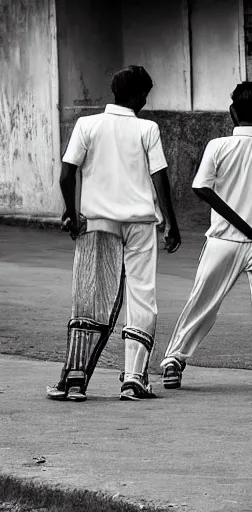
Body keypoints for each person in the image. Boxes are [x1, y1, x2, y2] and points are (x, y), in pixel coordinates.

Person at [46, 65, 181, 402]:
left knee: (89, 297)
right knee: (142, 296)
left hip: (97, 222)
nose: (146, 102)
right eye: (145, 95)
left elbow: (67, 174)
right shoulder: (147, 129)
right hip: (140, 224)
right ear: (136, 95)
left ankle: (75, 381)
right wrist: (171, 221)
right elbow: (159, 176)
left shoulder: (87, 125)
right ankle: (134, 380)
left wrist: (70, 211)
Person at [160, 81, 252, 395]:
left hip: (223, 241)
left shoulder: (217, 146)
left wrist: (232, 215)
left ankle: (173, 360)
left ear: (232, 112)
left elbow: (200, 187)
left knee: (203, 302)